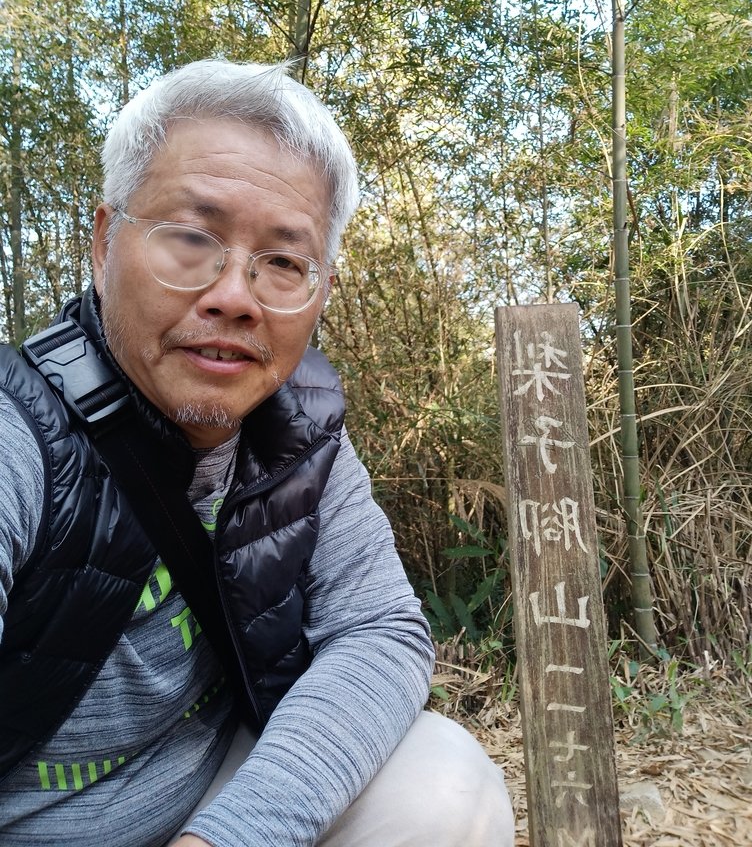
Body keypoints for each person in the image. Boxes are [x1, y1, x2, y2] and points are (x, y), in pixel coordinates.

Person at [0, 60, 515, 847]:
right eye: (190, 237)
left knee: (447, 780)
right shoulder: (21, 436)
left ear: (322, 291)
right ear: (104, 241)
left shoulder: (296, 432)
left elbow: (381, 630)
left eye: (282, 261)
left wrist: (232, 837)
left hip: (207, 798)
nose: (235, 295)